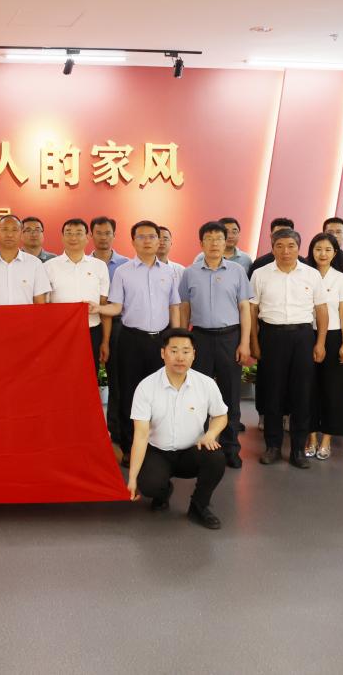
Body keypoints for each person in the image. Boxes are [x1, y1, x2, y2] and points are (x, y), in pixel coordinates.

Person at [93, 220, 181, 464]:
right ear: (133, 242)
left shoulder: (169, 272)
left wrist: (176, 340)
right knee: (130, 394)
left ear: (159, 240)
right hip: (131, 340)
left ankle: (158, 445)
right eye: (141, 237)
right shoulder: (123, 272)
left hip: (161, 341)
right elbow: (116, 307)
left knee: (161, 394)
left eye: (152, 236)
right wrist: (98, 308)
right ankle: (130, 446)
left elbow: (174, 307)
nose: (147, 241)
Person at [126, 329, 228, 530]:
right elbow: (141, 435)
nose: (180, 357)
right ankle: (163, 492)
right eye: (173, 351)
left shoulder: (206, 384)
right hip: (158, 452)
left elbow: (221, 415)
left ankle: (199, 506)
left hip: (192, 451)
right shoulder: (146, 387)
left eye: (185, 351)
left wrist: (210, 434)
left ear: (193, 355)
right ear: (163, 353)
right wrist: (131, 478)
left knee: (216, 458)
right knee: (149, 484)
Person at [249, 229, 328, 469]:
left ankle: (298, 450)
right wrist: (254, 342)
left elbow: (321, 310)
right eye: (280, 246)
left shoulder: (311, 274)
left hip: (303, 337)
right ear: (272, 248)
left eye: (291, 246)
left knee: (302, 395)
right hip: (271, 336)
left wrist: (320, 342)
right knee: (272, 393)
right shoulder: (260, 274)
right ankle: (272, 447)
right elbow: (252, 310)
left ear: (298, 248)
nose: (285, 251)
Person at [179, 221, 253, 469]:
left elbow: (244, 308)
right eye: (209, 239)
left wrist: (244, 342)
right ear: (201, 243)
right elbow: (184, 308)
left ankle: (231, 448)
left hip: (230, 338)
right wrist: (184, 342)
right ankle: (198, 447)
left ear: (226, 242)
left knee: (230, 394)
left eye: (219, 238)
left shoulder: (237, 271)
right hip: (199, 338)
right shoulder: (189, 273)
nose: (214, 243)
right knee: (197, 395)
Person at [304, 232, 343, 459]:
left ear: (335, 253)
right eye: (318, 249)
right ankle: (311, 437)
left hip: (334, 338)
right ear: (311, 251)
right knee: (308, 388)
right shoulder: (304, 275)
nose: (322, 254)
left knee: (333, 390)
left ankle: (326, 439)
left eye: (327, 250)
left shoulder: (341, 279)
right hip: (306, 335)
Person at [45, 218, 110, 377]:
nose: (73, 237)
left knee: (88, 377)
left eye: (79, 233)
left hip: (91, 332)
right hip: (60, 333)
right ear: (62, 237)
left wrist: (105, 341)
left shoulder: (99, 266)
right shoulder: (48, 267)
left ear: (87, 237)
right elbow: (44, 308)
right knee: (60, 376)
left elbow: (104, 306)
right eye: (68, 233)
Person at [90, 215, 129, 448]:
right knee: (88, 381)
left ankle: (116, 432)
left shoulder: (127, 265)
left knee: (118, 382)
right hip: (92, 326)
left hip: (120, 327)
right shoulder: (84, 264)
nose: (103, 237)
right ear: (91, 235)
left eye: (107, 233)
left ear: (114, 235)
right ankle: (91, 432)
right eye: (99, 233)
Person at [0, 215, 51, 306]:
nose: (9, 235)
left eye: (14, 230)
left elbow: (39, 303)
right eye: (5, 229)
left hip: (26, 316)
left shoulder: (35, 264)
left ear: (21, 234)